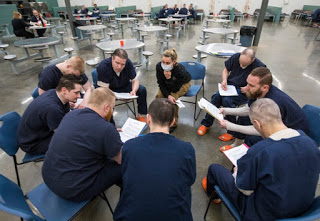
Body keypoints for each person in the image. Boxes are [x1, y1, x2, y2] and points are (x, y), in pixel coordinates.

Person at [203, 98, 320, 221]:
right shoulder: (310, 142)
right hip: (302, 210)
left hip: (263, 215)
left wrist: (237, 172)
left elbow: (245, 190)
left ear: (257, 124)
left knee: (214, 169)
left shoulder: (260, 151)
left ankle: (214, 196)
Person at [113, 98, 196, 220]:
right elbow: (190, 179)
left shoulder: (129, 146)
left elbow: (125, 177)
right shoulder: (186, 149)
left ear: (148, 119)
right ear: (172, 122)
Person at [42, 87, 122, 202]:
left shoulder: (70, 115)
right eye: (112, 108)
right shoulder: (106, 129)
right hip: (74, 191)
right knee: (125, 164)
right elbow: (121, 159)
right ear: (106, 107)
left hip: (49, 178)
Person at [219, 67, 309, 151]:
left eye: (251, 85)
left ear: (265, 87)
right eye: (247, 83)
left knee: (252, 140)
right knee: (244, 118)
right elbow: (248, 110)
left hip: (293, 137)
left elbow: (264, 130)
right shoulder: (257, 91)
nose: (246, 88)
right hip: (275, 126)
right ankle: (237, 146)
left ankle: (244, 159)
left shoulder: (273, 102)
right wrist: (225, 110)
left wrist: (231, 126)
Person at [197, 49, 265, 138]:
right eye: (240, 63)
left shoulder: (260, 67)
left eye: (244, 65)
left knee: (227, 101)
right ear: (240, 54)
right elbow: (226, 69)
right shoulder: (235, 57)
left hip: (244, 91)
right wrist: (224, 80)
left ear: (252, 60)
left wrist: (248, 88)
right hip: (230, 87)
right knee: (216, 97)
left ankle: (232, 131)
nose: (241, 66)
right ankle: (207, 123)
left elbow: (261, 85)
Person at [17, 75, 83, 155]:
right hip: (33, 143)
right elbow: (63, 134)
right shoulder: (52, 109)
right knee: (75, 144)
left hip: (39, 133)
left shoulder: (54, 92)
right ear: (64, 90)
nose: (79, 96)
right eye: (76, 92)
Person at [96, 48, 148, 122]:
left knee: (142, 90)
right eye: (117, 63)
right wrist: (115, 96)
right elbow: (105, 90)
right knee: (107, 101)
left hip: (124, 85)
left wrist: (134, 90)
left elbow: (135, 80)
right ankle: (110, 124)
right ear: (112, 59)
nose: (119, 67)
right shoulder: (103, 67)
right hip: (108, 89)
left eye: (122, 64)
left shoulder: (128, 63)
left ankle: (141, 115)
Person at [156, 48, 191, 133]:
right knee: (159, 96)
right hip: (168, 84)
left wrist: (168, 79)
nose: (164, 64)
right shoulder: (159, 67)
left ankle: (173, 123)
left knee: (173, 99)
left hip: (183, 84)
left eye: (167, 63)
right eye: (163, 62)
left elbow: (175, 89)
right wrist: (167, 95)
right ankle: (161, 118)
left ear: (174, 62)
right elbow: (160, 84)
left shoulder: (179, 70)